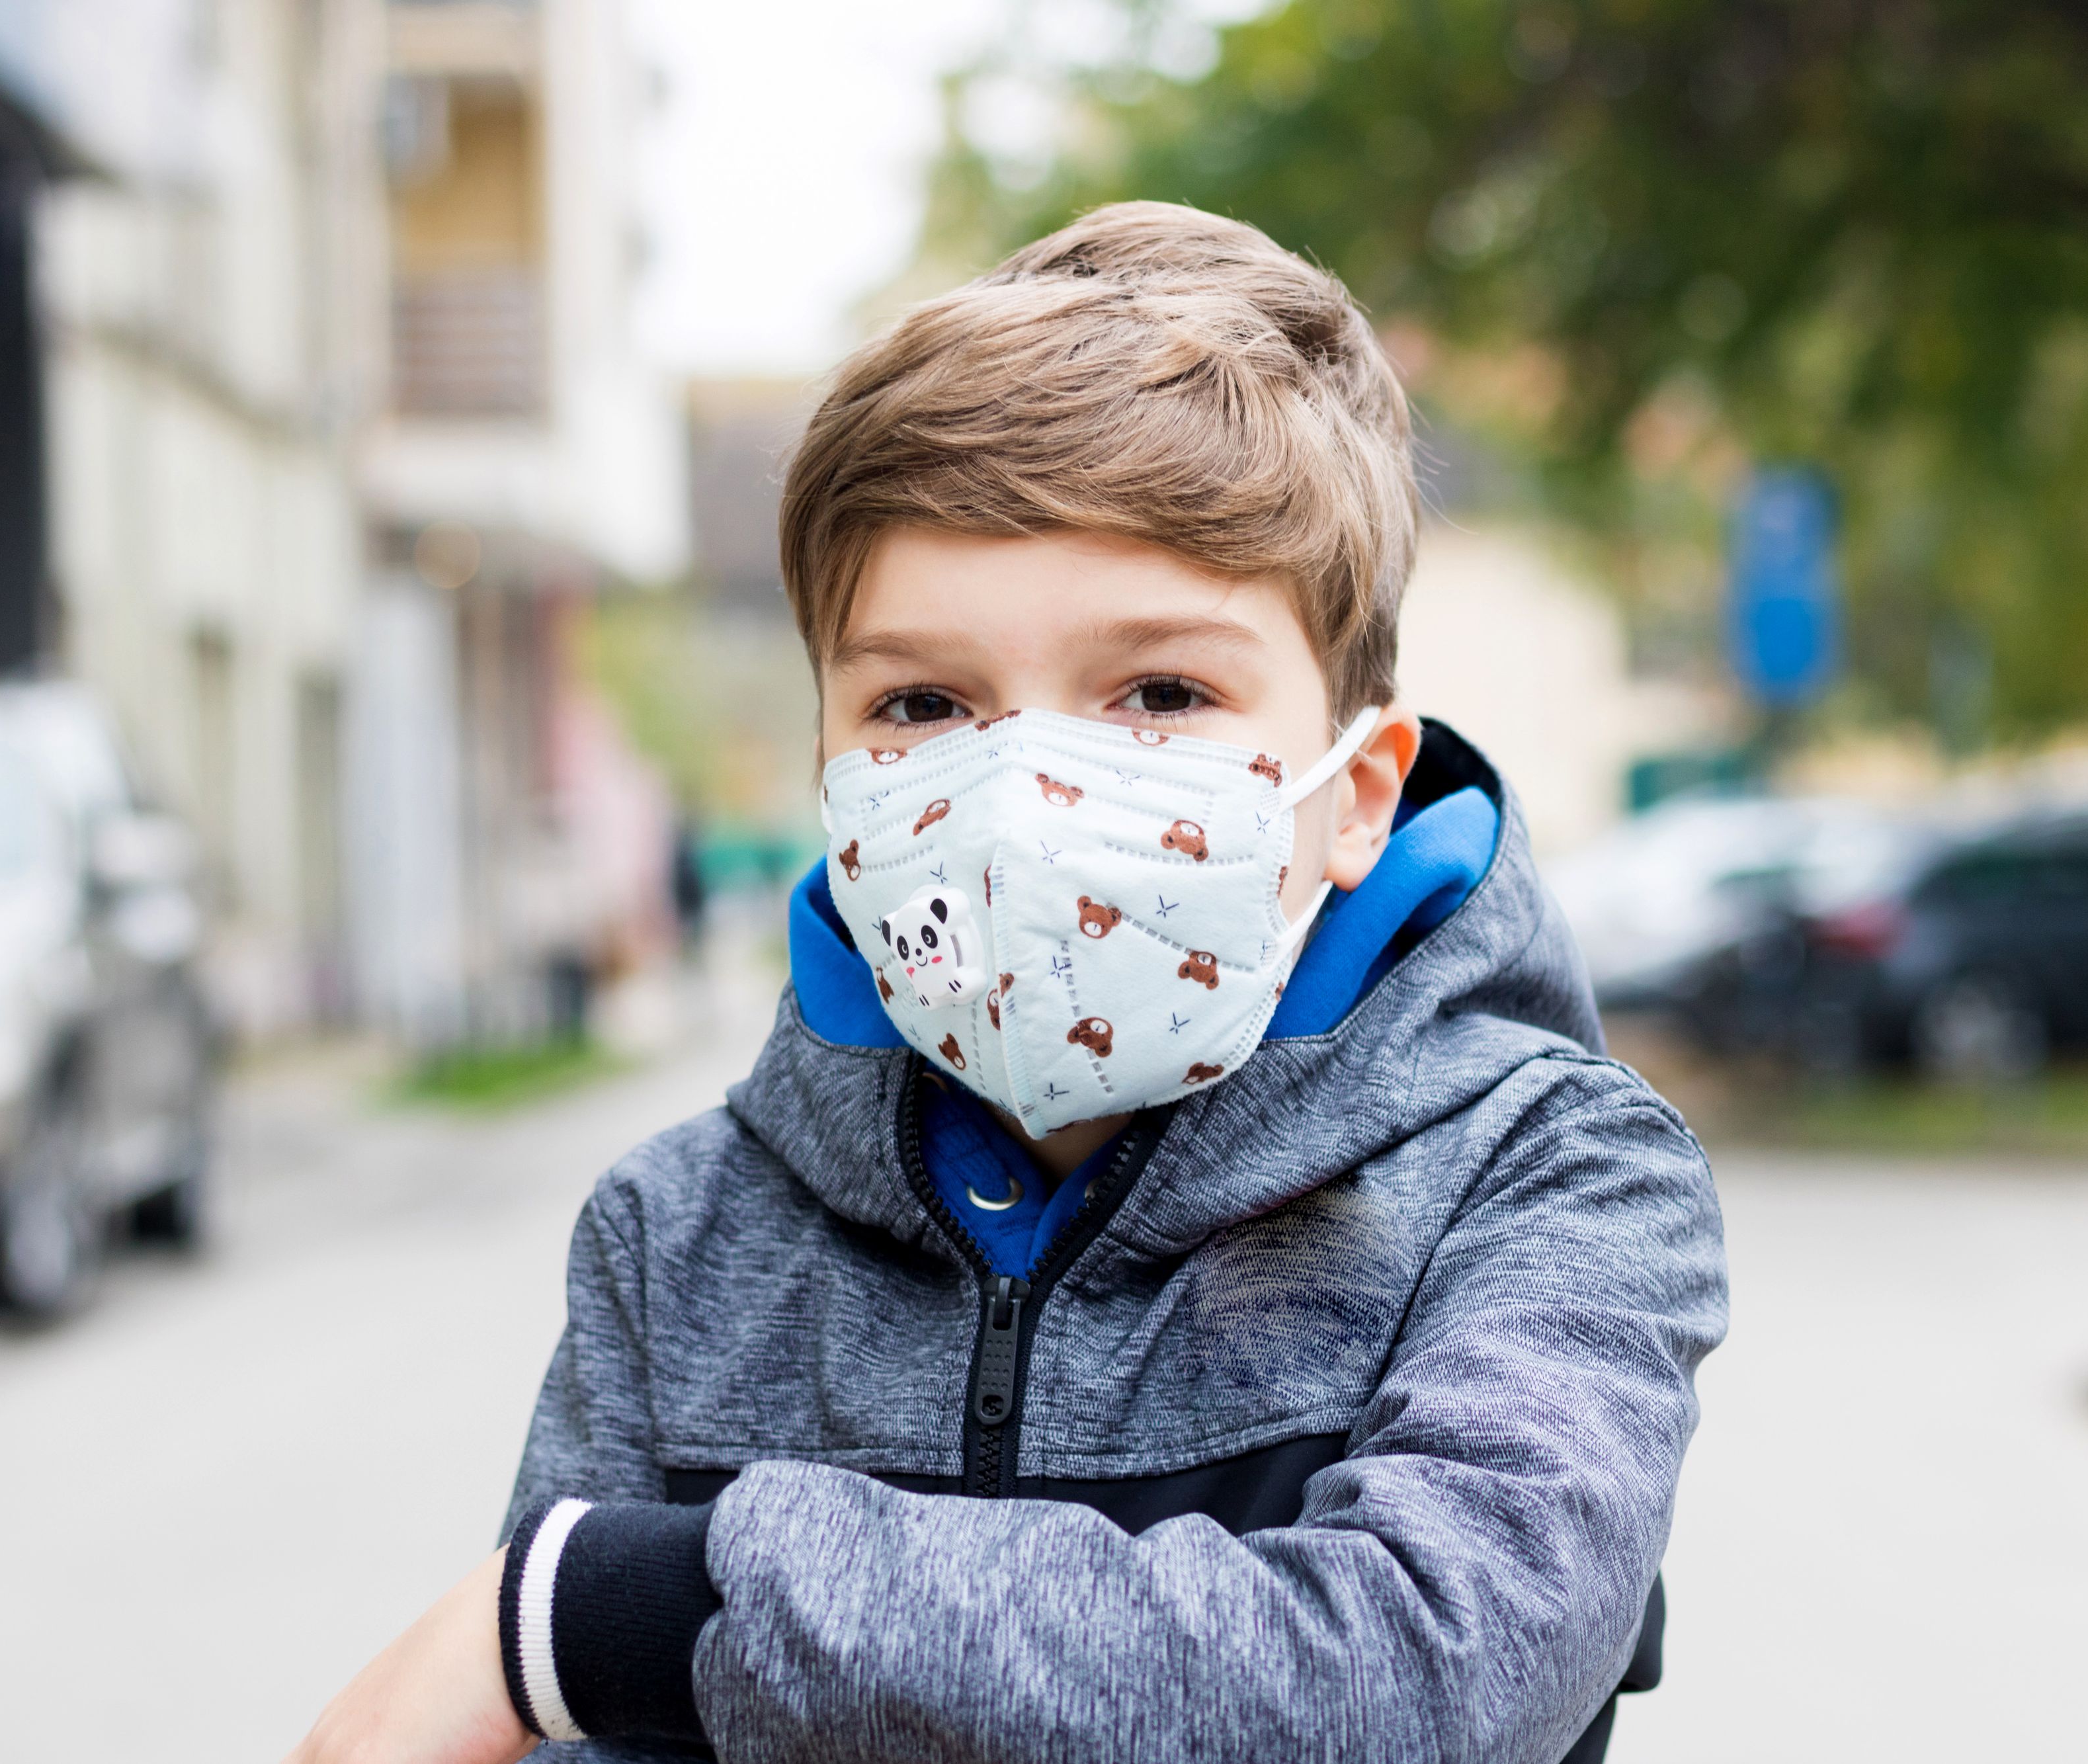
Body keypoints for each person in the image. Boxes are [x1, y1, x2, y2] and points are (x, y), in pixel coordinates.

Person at [285, 202, 1727, 1764]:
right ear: (829, 761)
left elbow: (1419, 1672)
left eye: (1161, 688)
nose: (1025, 792)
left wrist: (617, 1609)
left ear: (1359, 791)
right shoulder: (676, 1235)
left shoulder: (1550, 1175)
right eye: (921, 702)